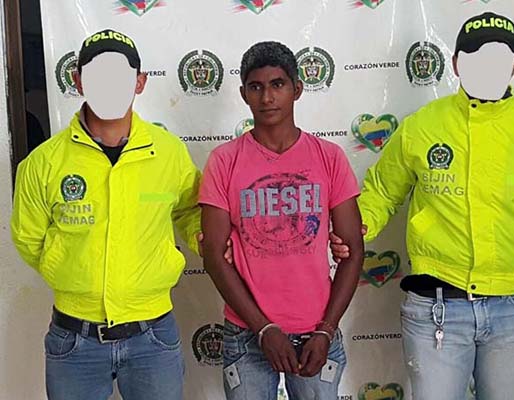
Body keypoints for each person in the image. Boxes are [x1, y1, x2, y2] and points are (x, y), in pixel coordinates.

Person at [330, 12, 514, 400]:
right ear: (457, 63)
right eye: (476, 58)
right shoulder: (423, 126)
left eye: (499, 59)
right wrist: (355, 231)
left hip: (513, 309)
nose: (488, 68)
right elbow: (382, 191)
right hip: (436, 309)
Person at [11, 29, 201, 400]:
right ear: (78, 80)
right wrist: (68, 268)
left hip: (153, 336)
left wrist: (201, 238)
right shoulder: (44, 162)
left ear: (140, 82)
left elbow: (190, 208)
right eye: (98, 75)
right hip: (74, 340)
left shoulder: (169, 153)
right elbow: (28, 238)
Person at [199, 41, 364, 400]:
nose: (267, 97)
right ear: (243, 94)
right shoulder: (224, 161)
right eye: (255, 87)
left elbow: (353, 250)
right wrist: (263, 328)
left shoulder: (329, 157)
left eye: (277, 84)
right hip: (246, 333)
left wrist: (326, 330)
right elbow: (213, 255)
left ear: (297, 89)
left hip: (316, 331)